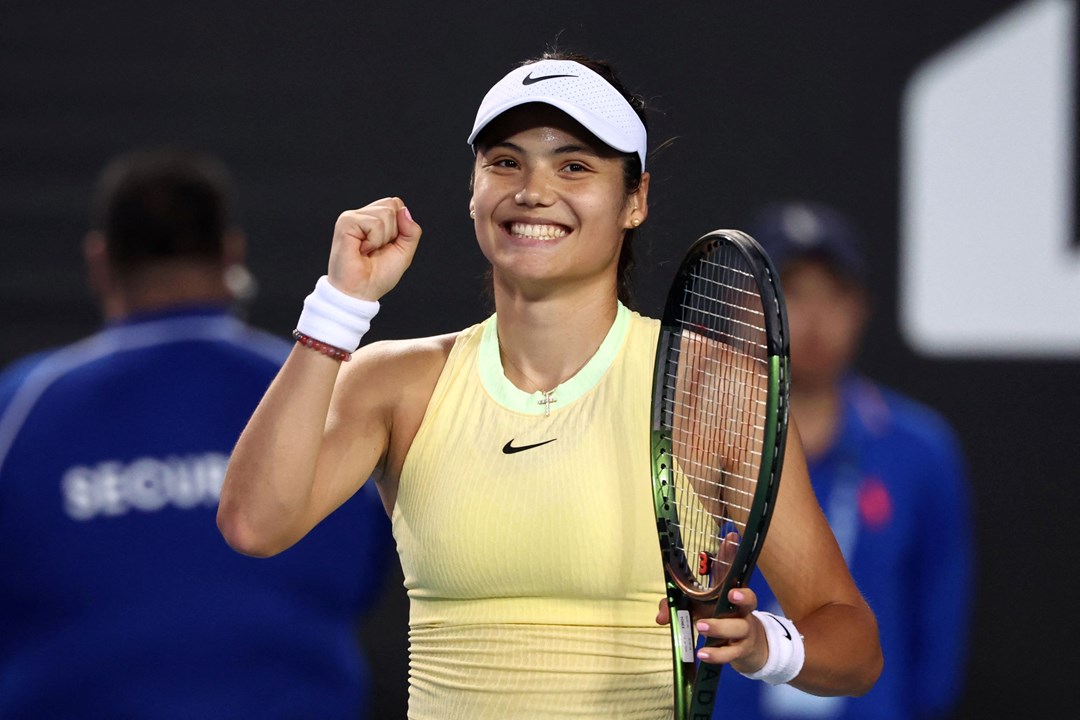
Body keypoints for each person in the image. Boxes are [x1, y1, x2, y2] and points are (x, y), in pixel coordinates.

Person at [217, 53, 883, 719]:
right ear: (473, 189)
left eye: (574, 166)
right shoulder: (396, 383)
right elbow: (253, 524)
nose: (533, 191)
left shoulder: (711, 386)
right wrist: (338, 309)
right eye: (505, 162)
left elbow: (853, 646)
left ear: (636, 199)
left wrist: (766, 643)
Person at [0, 147, 394, 720]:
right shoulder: (322, 394)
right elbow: (370, 566)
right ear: (231, 253)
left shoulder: (20, 407)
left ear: (100, 261)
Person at [717, 201, 974, 720]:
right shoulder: (697, 441)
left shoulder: (921, 451)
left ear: (861, 308)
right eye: (790, 290)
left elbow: (939, 626)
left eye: (833, 293)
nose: (812, 317)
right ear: (745, 306)